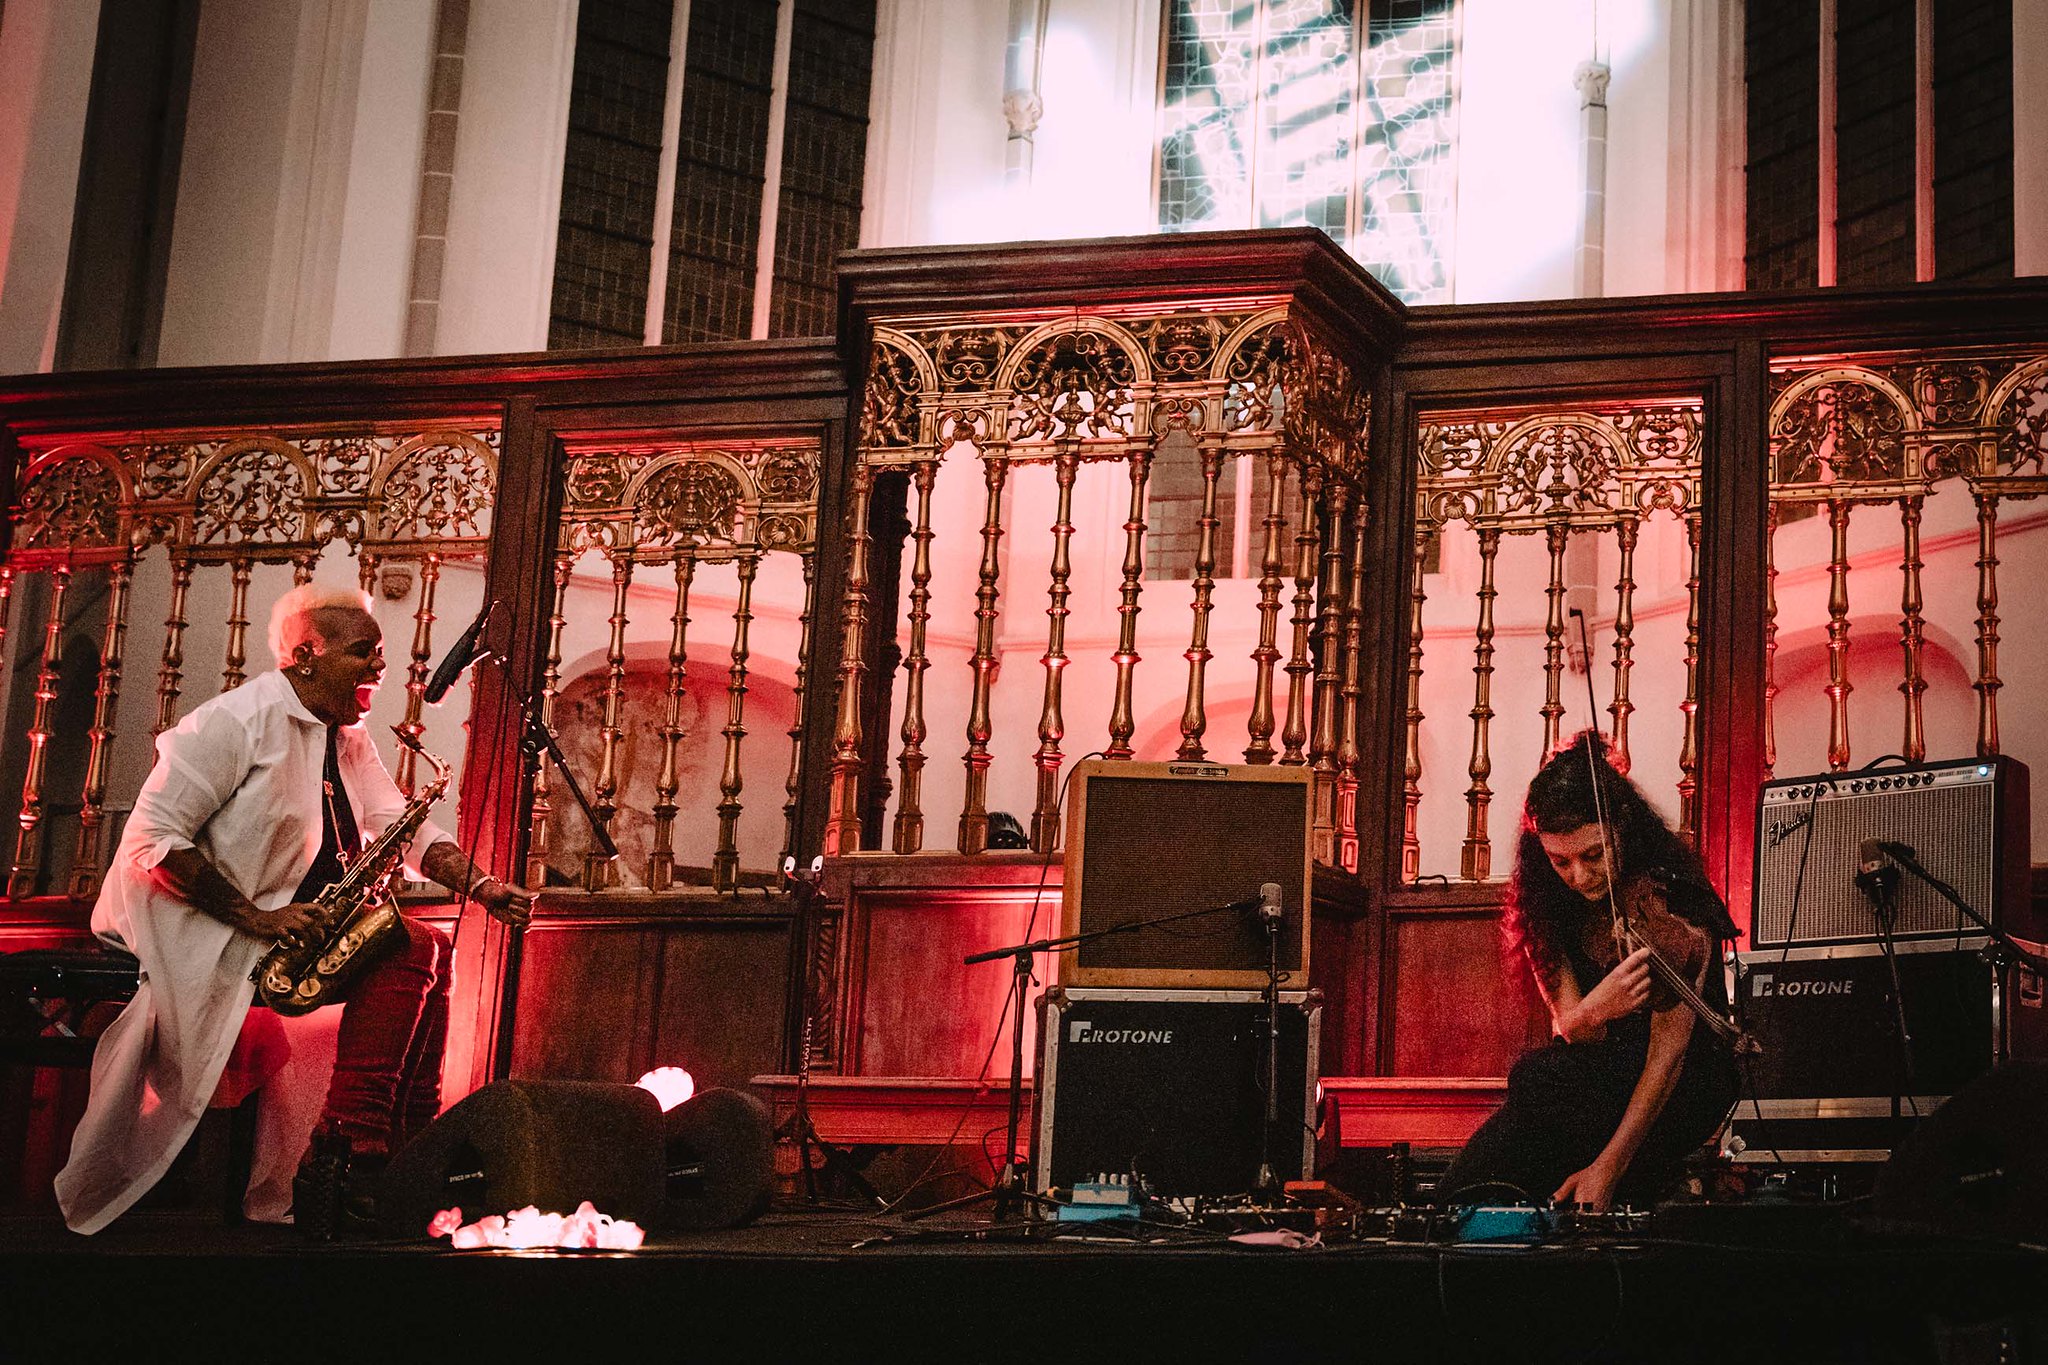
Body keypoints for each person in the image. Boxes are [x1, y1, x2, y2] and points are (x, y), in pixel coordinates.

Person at [55, 584, 531, 1235]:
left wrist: (480, 885)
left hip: (284, 935)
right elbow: (152, 843)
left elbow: (401, 825)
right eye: (364, 652)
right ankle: (349, 1150)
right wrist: (259, 917)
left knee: (434, 947)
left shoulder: (346, 736)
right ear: (306, 654)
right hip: (216, 938)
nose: (379, 669)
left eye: (380, 655)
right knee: (410, 943)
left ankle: (408, 1144)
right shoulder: (229, 723)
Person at [1439, 731, 1739, 1212]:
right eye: (1561, 861)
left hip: (1682, 1081)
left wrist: (1608, 1167)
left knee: (1548, 1093)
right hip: (1602, 1074)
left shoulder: (1675, 901)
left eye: (1594, 855)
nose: (1579, 877)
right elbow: (1573, 1029)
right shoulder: (1544, 903)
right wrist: (1598, 1008)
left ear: (1622, 828)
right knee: (1534, 1089)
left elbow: (1668, 1058)